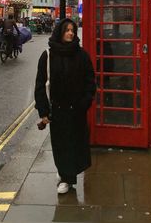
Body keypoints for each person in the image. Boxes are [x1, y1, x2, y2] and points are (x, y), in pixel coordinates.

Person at [35, 18, 96, 194]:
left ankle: (67, 175)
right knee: (61, 144)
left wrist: (85, 103)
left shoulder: (82, 55)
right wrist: (44, 111)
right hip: (58, 109)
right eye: (67, 30)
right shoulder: (48, 55)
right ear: (59, 32)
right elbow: (40, 85)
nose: (70, 33)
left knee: (75, 144)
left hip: (77, 109)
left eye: (73, 30)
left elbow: (90, 82)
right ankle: (66, 177)